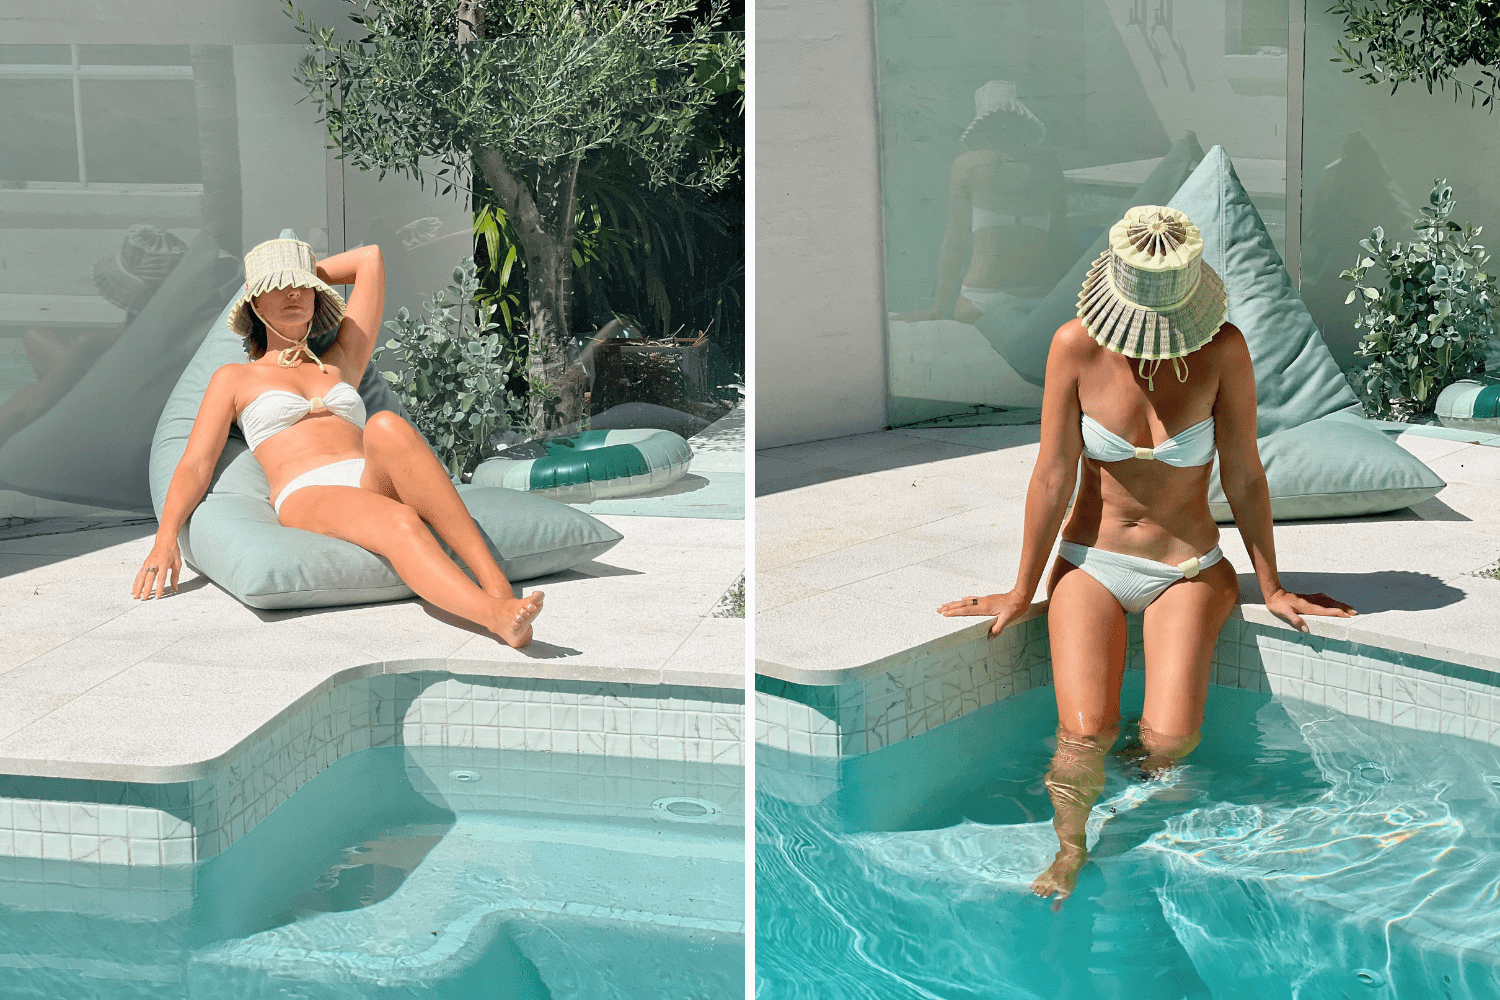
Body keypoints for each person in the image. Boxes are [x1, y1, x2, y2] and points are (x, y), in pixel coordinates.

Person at [937, 205, 1356, 905]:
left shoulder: (1224, 350)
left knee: (1169, 742)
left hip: (1186, 569)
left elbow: (1245, 474)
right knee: (1082, 735)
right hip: (1091, 561)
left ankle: (1138, 792)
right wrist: (1021, 588)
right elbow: (1051, 476)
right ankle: (1070, 847)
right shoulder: (1074, 346)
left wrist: (1272, 585)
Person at [134, 236, 543, 648]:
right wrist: (165, 538)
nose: (293, 293)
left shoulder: (342, 360)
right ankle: (494, 617)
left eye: (302, 286)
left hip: (369, 477)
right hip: (308, 492)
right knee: (401, 521)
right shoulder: (234, 378)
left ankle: (497, 586)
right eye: (278, 285)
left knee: (386, 424)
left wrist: (304, 272)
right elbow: (195, 463)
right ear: (254, 302)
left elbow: (370, 259)